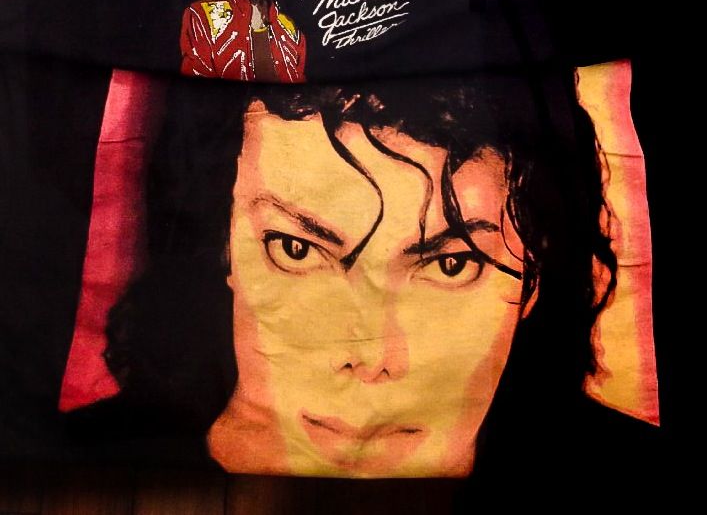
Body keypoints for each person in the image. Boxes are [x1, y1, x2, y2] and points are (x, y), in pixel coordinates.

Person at [96, 66, 658, 488]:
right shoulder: (107, 451)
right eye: (296, 250)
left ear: (534, 274)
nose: (373, 356)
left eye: (451, 263)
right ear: (223, 246)